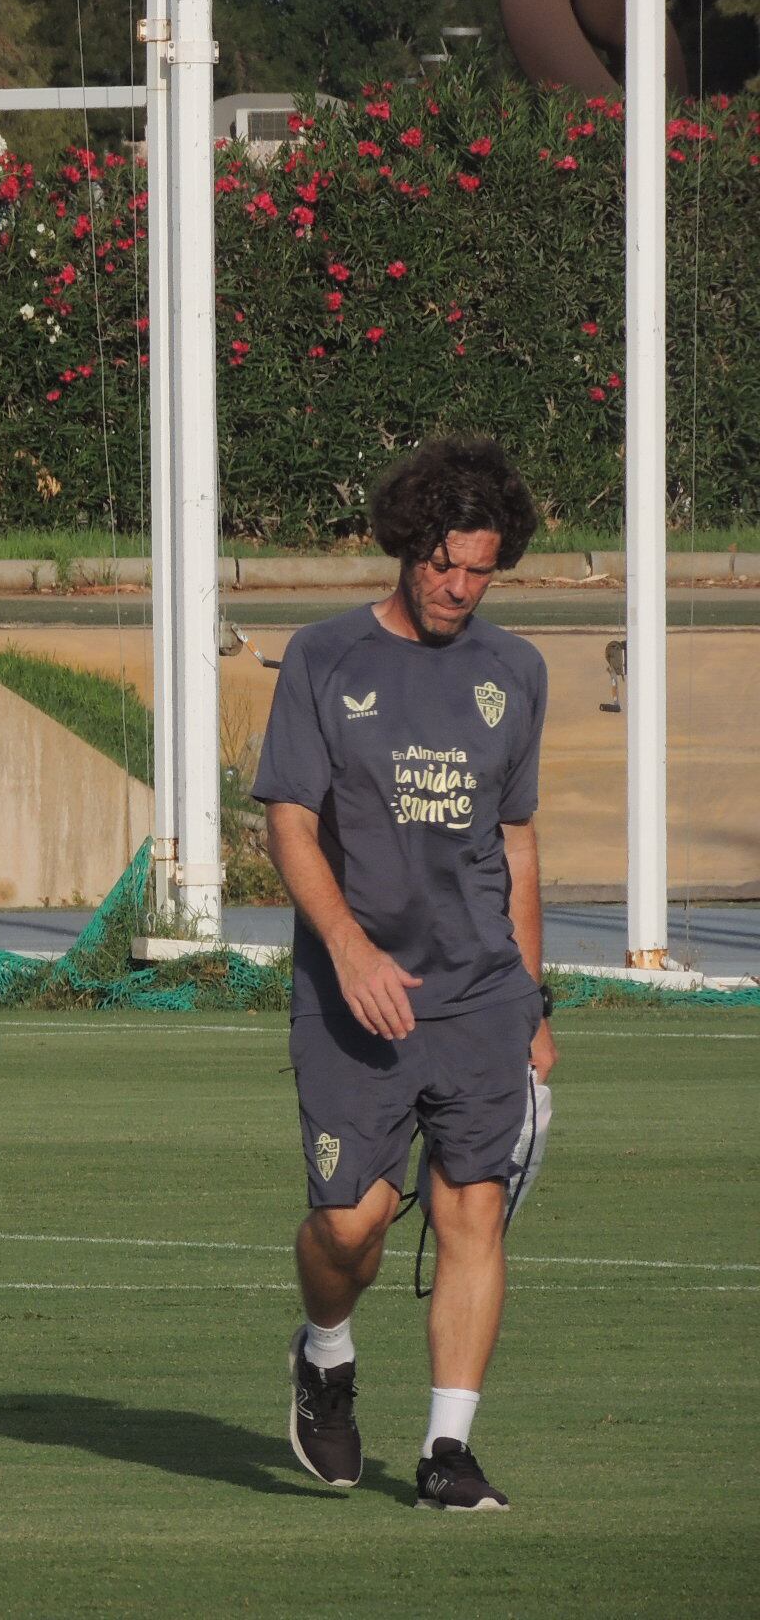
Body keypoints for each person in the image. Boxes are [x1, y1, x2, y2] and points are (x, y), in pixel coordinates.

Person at [252, 435, 556, 1511]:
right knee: (349, 1224)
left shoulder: (516, 672)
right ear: (404, 547)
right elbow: (289, 826)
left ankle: (445, 1451)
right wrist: (346, 946)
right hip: (352, 996)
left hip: (479, 994)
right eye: (443, 565)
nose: (459, 588)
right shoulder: (325, 658)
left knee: (471, 1209)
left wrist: (534, 997)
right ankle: (324, 1352)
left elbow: (514, 841)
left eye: (480, 571)